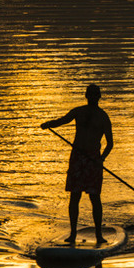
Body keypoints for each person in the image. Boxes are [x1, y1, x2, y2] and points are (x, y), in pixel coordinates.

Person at [41, 84, 114, 244]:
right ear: (87, 96)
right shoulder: (78, 111)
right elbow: (62, 121)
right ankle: (73, 234)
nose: (93, 97)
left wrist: (101, 160)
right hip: (77, 158)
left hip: (94, 160)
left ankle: (98, 235)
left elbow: (110, 144)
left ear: (99, 96)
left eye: (96, 94)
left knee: (95, 198)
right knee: (75, 197)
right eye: (91, 94)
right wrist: (48, 124)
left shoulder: (103, 117)